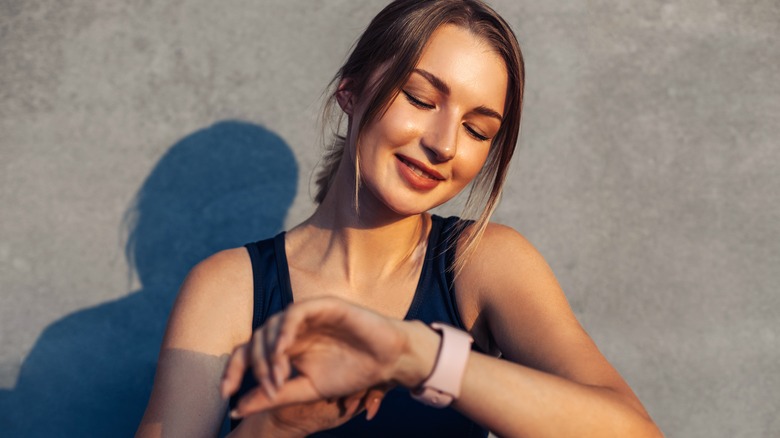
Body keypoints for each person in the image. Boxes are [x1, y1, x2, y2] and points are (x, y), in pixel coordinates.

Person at [138, 1, 663, 437]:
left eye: (478, 131)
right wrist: (271, 427)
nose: (443, 144)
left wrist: (416, 355)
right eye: (419, 98)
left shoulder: (483, 263)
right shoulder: (229, 288)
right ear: (352, 91)